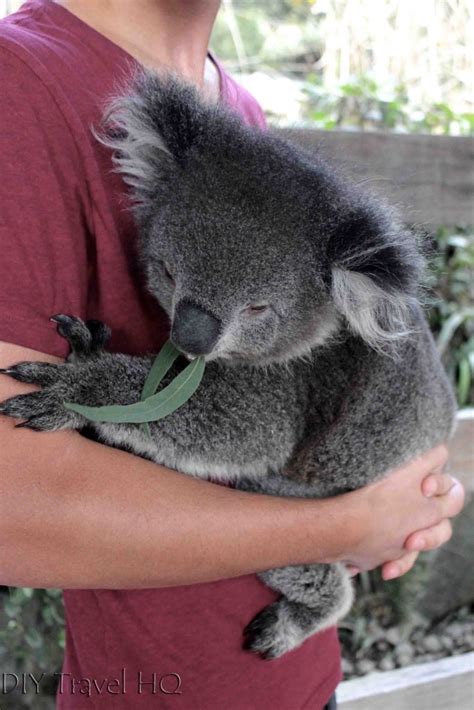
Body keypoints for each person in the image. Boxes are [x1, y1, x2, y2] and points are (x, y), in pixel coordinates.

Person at [0, 1, 464, 708]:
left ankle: (314, 593)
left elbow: (250, 426)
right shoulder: (22, 85)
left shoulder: (232, 110)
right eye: (171, 276)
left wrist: (394, 510)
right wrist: (354, 525)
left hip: (299, 678)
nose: (188, 335)